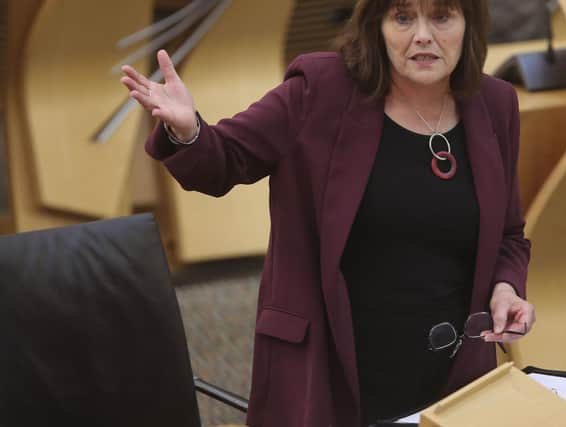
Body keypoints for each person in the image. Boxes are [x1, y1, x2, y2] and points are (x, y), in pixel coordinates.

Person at [121, 0, 535, 425]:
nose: (423, 35)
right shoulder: (320, 89)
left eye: (442, 17)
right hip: (332, 365)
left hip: (453, 370)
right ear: (376, 26)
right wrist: (187, 130)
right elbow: (224, 161)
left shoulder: (495, 104)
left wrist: (506, 287)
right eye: (403, 18)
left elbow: (508, 234)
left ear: (469, 25)